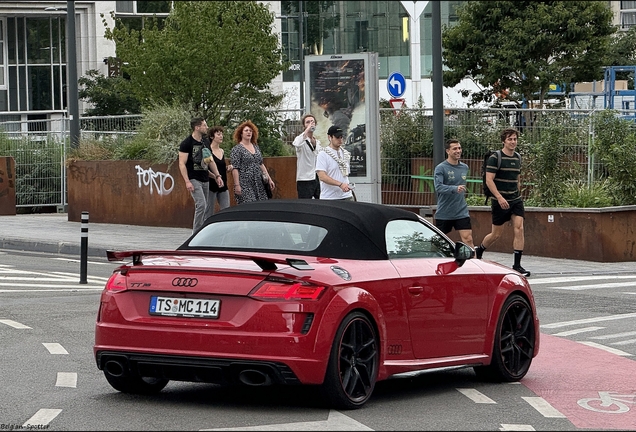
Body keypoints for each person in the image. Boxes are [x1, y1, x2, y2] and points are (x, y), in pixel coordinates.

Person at [475, 128, 530, 277]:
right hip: (499, 201)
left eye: (515, 139)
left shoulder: (517, 157)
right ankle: (479, 250)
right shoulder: (495, 157)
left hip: (515, 200)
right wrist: (499, 197)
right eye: (510, 139)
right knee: (496, 234)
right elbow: (489, 179)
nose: (513, 142)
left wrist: (518, 193)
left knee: (519, 228)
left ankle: (517, 265)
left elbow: (517, 178)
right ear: (503, 141)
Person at [178, 117, 222, 233]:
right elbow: (182, 164)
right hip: (193, 178)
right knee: (201, 204)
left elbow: (210, 160)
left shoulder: (206, 142)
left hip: (205, 177)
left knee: (205, 206)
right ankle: (196, 232)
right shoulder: (186, 143)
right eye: (204, 125)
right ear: (197, 127)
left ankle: (203, 231)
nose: (206, 127)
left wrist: (217, 176)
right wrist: (187, 181)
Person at [433, 139, 474, 247]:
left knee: (468, 239)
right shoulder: (440, 168)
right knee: (438, 243)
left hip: (461, 211)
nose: (458, 151)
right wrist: (454, 189)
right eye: (454, 148)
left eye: (459, 148)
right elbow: (438, 187)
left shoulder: (464, 167)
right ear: (448, 151)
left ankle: (473, 263)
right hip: (444, 212)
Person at [230, 120, 275, 204]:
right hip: (245, 183)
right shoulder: (237, 149)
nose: (249, 132)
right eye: (246, 130)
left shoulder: (256, 147)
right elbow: (235, 168)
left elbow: (261, 164)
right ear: (241, 133)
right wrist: (237, 185)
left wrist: (269, 179)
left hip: (259, 182)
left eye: (250, 131)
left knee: (261, 205)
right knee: (249, 205)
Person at [315, 125, 354, 200]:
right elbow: (322, 176)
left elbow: (346, 174)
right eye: (337, 137)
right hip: (330, 197)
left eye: (341, 137)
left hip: (346, 195)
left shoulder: (345, 154)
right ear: (330, 137)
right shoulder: (323, 154)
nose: (340, 140)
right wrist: (340, 184)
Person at [204, 125, 232, 218]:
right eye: (218, 134)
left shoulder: (222, 151)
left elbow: (220, 167)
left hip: (223, 185)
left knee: (226, 210)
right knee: (208, 211)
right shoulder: (207, 151)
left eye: (222, 134)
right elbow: (206, 169)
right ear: (212, 137)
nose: (221, 136)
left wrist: (228, 168)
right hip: (211, 185)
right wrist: (216, 177)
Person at [292, 114, 321, 199]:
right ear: (304, 125)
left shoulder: (318, 142)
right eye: (307, 122)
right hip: (304, 179)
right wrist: (307, 129)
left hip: (316, 177)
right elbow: (297, 143)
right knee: (305, 205)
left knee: (320, 204)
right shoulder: (300, 140)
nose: (311, 124)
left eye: (312, 122)